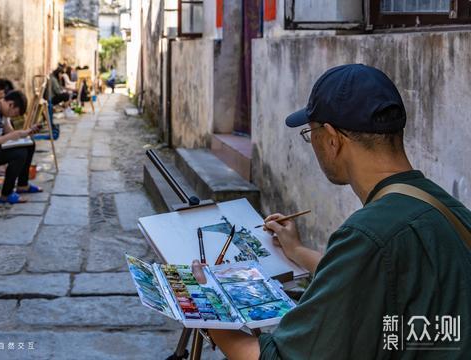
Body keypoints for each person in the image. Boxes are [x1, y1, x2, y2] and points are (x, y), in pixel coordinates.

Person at [194, 64, 471, 359]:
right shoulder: (445, 207)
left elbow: (278, 357)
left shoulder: (369, 234)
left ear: (331, 138)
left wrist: (209, 307)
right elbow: (379, 277)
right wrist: (297, 250)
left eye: (309, 133)